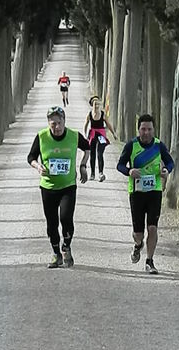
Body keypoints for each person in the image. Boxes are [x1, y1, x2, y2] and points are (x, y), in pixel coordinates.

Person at [27, 106, 90, 268]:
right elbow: (31, 157)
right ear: (48, 124)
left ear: (64, 122)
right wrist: (38, 166)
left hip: (68, 186)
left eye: (59, 123)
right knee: (51, 223)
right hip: (48, 187)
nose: (56, 127)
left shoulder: (74, 136)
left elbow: (88, 147)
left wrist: (83, 165)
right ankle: (56, 254)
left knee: (66, 218)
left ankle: (66, 246)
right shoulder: (41, 137)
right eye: (52, 123)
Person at [116, 114, 174, 274]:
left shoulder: (159, 146)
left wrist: (165, 170)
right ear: (138, 130)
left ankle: (149, 261)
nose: (146, 132)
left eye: (149, 129)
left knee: (153, 228)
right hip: (137, 192)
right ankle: (138, 244)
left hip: (154, 191)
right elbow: (119, 165)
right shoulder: (131, 146)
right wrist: (129, 171)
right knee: (138, 233)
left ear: (153, 130)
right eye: (143, 129)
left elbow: (170, 162)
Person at [83, 95, 118, 182]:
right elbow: (86, 124)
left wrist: (113, 133)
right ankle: (92, 174)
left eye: (98, 104)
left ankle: (101, 173)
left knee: (100, 153)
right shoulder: (90, 114)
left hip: (101, 135)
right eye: (95, 104)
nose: (96, 106)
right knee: (92, 154)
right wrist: (85, 134)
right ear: (92, 105)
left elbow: (108, 124)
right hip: (93, 135)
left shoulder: (103, 114)